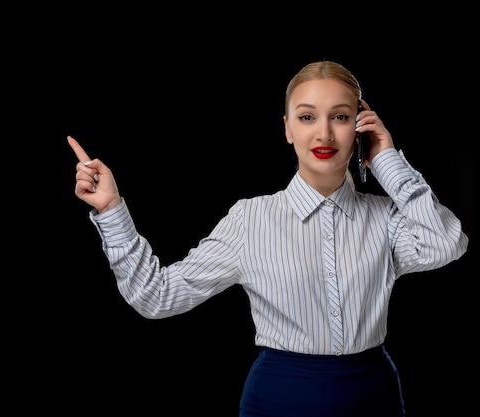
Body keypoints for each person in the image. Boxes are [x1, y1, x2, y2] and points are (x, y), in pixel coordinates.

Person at [67, 60, 469, 417]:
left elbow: (447, 242)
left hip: (374, 396)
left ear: (361, 127)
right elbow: (156, 297)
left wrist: (386, 160)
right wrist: (112, 210)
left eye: (341, 117)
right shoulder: (250, 219)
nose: (324, 133)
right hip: (278, 400)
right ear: (288, 129)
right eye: (308, 117)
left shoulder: (387, 219)